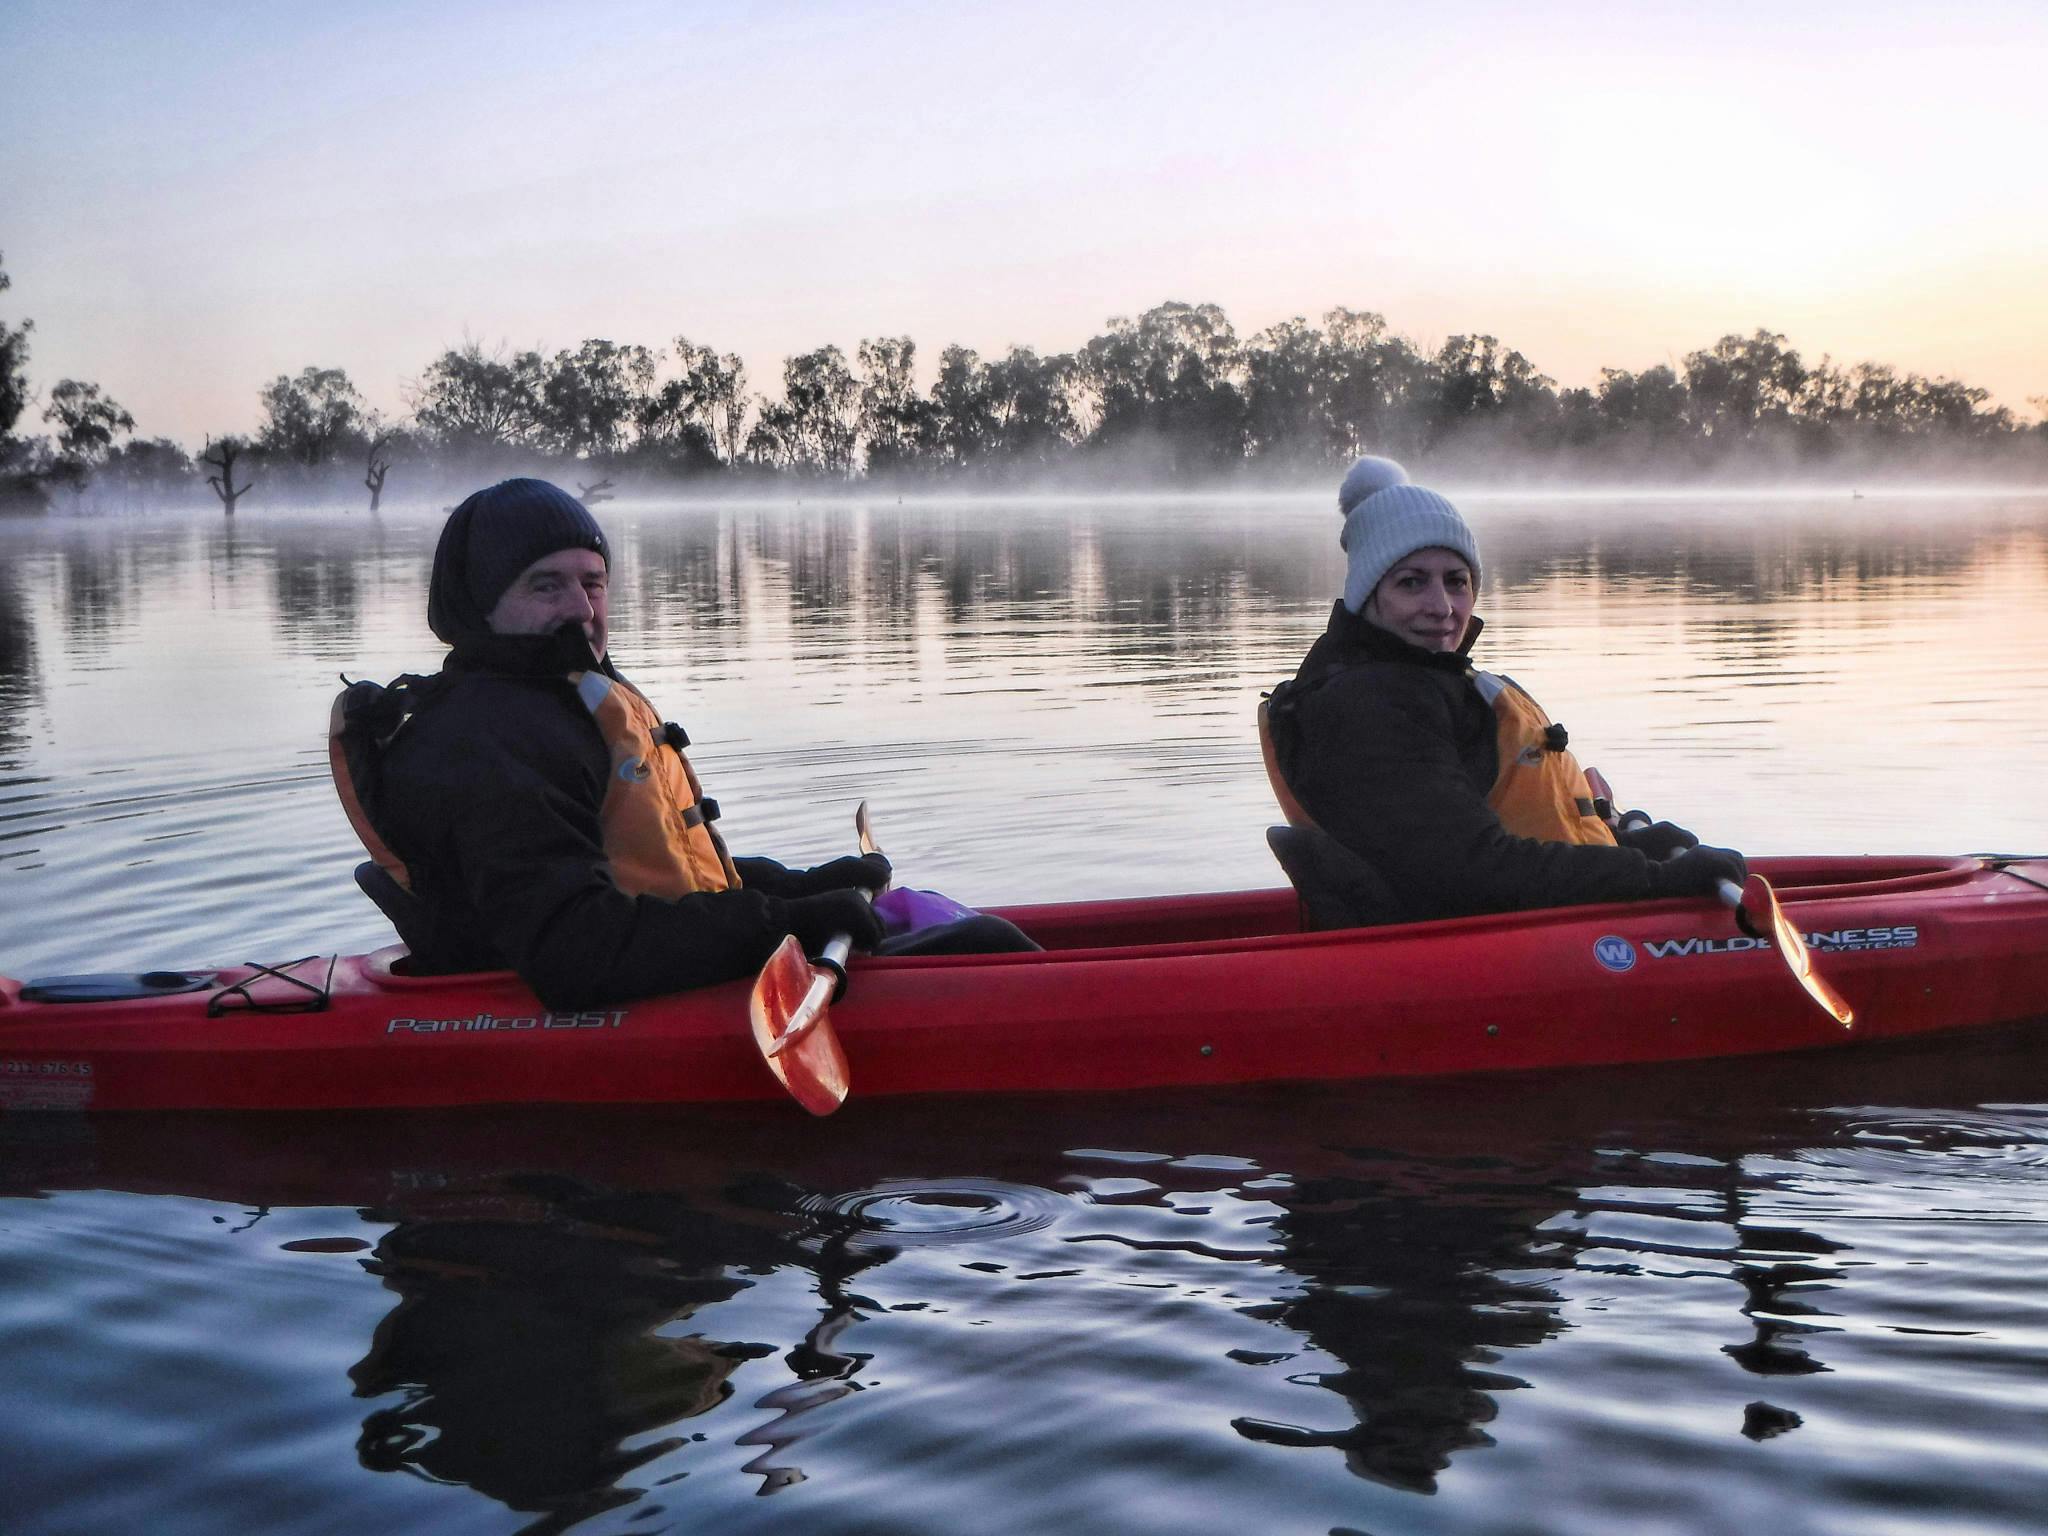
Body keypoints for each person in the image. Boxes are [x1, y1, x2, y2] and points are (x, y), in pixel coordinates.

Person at [332, 478, 1027, 1010]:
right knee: (986, 948)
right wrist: (785, 923)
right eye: (546, 586)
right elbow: (577, 953)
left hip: (643, 969)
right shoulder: (487, 740)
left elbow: (652, 871)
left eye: (593, 583)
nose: (580, 609)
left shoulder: (551, 704)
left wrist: (803, 887)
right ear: (480, 606)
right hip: (575, 1003)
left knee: (969, 931)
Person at [1260, 456, 1745, 928]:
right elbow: (1472, 870)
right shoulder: (1367, 706)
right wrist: (1656, 880)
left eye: (1457, 582)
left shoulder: (1430, 681)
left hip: (1532, 921)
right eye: (1412, 583)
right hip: (1471, 955)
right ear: (1370, 595)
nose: (1443, 607)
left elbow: (1517, 827)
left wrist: (1636, 845)